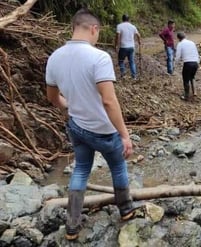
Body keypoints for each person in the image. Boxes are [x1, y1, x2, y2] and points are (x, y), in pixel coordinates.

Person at [46, 8, 138, 241]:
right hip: (104, 131)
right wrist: (125, 135)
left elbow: (52, 98)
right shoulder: (99, 57)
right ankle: (126, 210)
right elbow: (109, 101)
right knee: (118, 167)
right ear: (94, 29)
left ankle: (72, 226)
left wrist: (70, 105)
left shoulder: (55, 57)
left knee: (81, 170)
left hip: (77, 127)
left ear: (74, 28)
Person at [115, 14, 141, 80]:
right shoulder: (133, 26)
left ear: (122, 19)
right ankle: (134, 76)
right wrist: (139, 42)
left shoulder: (119, 26)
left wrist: (116, 45)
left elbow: (117, 36)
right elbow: (138, 35)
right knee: (131, 62)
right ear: (129, 19)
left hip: (123, 47)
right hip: (131, 47)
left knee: (121, 61)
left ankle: (123, 75)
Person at [175, 32, 200, 101]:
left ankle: (186, 96)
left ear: (178, 38)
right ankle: (195, 92)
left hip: (188, 63)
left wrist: (175, 64)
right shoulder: (192, 43)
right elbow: (196, 53)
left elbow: (178, 56)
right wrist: (198, 62)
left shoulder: (180, 44)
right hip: (195, 63)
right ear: (185, 36)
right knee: (192, 77)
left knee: (186, 79)